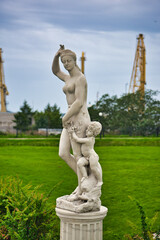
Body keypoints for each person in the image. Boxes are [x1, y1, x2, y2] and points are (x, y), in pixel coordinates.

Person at [52, 45, 91, 195]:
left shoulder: (81, 79)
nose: (66, 64)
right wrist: (57, 55)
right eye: (64, 62)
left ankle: (82, 189)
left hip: (79, 117)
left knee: (78, 155)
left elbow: (79, 102)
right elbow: (55, 71)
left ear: (75, 61)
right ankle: (84, 182)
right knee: (63, 153)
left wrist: (65, 117)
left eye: (68, 61)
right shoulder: (68, 78)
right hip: (70, 116)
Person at [71, 121, 103, 187]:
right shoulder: (88, 138)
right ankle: (85, 176)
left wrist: (73, 133)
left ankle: (100, 180)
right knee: (80, 163)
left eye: (90, 131)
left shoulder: (89, 140)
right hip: (86, 157)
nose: (87, 131)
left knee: (93, 168)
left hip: (92, 156)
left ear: (94, 133)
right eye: (87, 129)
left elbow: (77, 140)